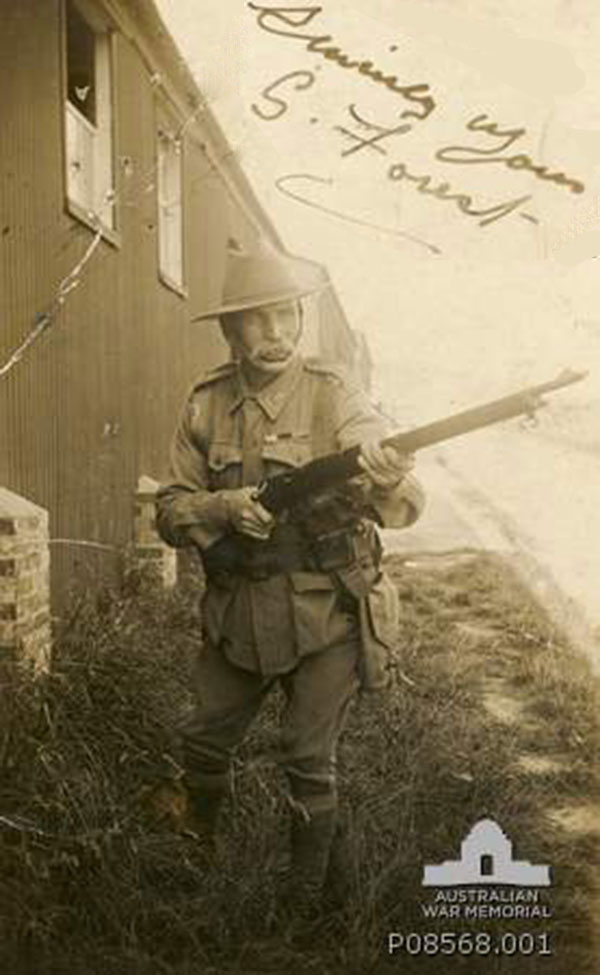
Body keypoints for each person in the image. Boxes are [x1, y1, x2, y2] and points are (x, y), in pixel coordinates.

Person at [155, 246, 425, 912]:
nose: (275, 332)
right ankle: (196, 855)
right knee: (202, 738)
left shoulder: (335, 392)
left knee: (307, 755)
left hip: (323, 611)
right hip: (237, 609)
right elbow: (168, 508)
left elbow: (400, 490)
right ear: (231, 331)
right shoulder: (205, 405)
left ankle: (306, 909)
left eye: (286, 315)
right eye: (257, 319)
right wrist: (224, 506)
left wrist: (388, 470)